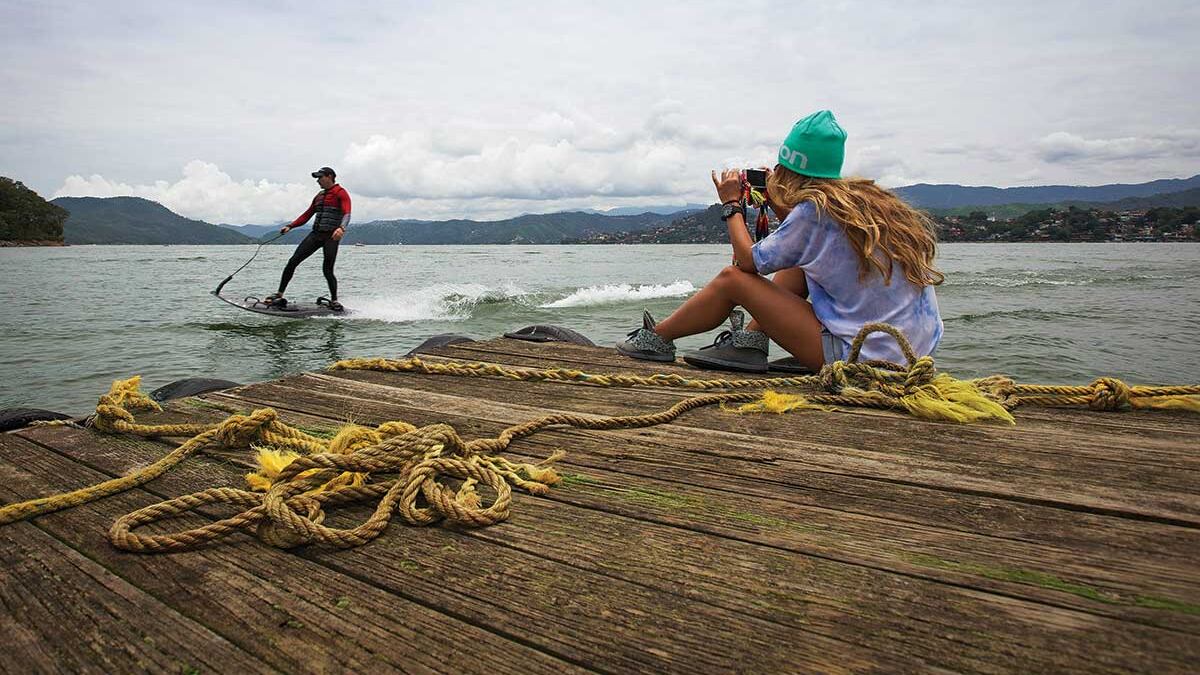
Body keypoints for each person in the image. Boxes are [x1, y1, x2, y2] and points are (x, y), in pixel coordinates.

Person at [616, 110, 944, 373]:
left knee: (732, 281)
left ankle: (656, 339)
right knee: (801, 266)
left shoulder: (814, 213)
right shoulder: (862, 204)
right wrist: (777, 203)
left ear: (786, 168)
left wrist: (731, 205)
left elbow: (747, 263)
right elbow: (808, 246)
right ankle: (751, 342)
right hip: (909, 356)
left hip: (862, 361)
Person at [265, 166, 351, 311]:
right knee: (292, 262)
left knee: (327, 269)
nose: (318, 181)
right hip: (316, 235)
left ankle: (334, 300)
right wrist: (290, 226)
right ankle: (279, 294)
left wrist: (341, 228)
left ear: (329, 177)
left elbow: (347, 213)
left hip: (331, 237)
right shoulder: (319, 196)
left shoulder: (341, 193)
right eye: (317, 178)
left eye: (320, 177)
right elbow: (307, 215)